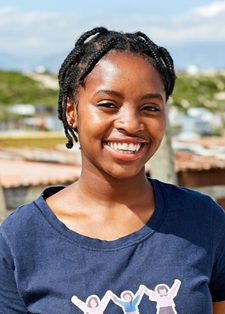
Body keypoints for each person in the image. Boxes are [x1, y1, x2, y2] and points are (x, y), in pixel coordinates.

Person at [0, 26, 225, 314]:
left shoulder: (204, 221)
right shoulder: (20, 239)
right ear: (72, 112)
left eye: (150, 107)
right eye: (108, 105)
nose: (131, 124)